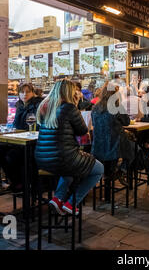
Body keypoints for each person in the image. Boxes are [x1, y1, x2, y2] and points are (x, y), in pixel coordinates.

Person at [35, 79, 103, 215]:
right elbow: (83, 131)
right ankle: (72, 203)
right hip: (63, 158)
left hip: (42, 159)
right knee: (99, 169)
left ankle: (58, 198)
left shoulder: (45, 106)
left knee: (70, 170)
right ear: (69, 92)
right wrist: (76, 105)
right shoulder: (69, 107)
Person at [91, 82, 134, 194]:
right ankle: (121, 170)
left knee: (108, 166)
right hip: (114, 146)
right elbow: (127, 122)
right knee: (133, 148)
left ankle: (110, 178)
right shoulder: (116, 107)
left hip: (99, 147)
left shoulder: (95, 108)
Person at [1, 83, 43, 192]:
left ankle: (22, 183)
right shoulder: (19, 105)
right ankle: (16, 182)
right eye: (22, 92)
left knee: (12, 156)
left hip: (34, 142)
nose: (25, 94)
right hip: (20, 139)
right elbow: (16, 125)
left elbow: (38, 124)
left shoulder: (38, 104)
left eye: (28, 91)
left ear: (32, 92)